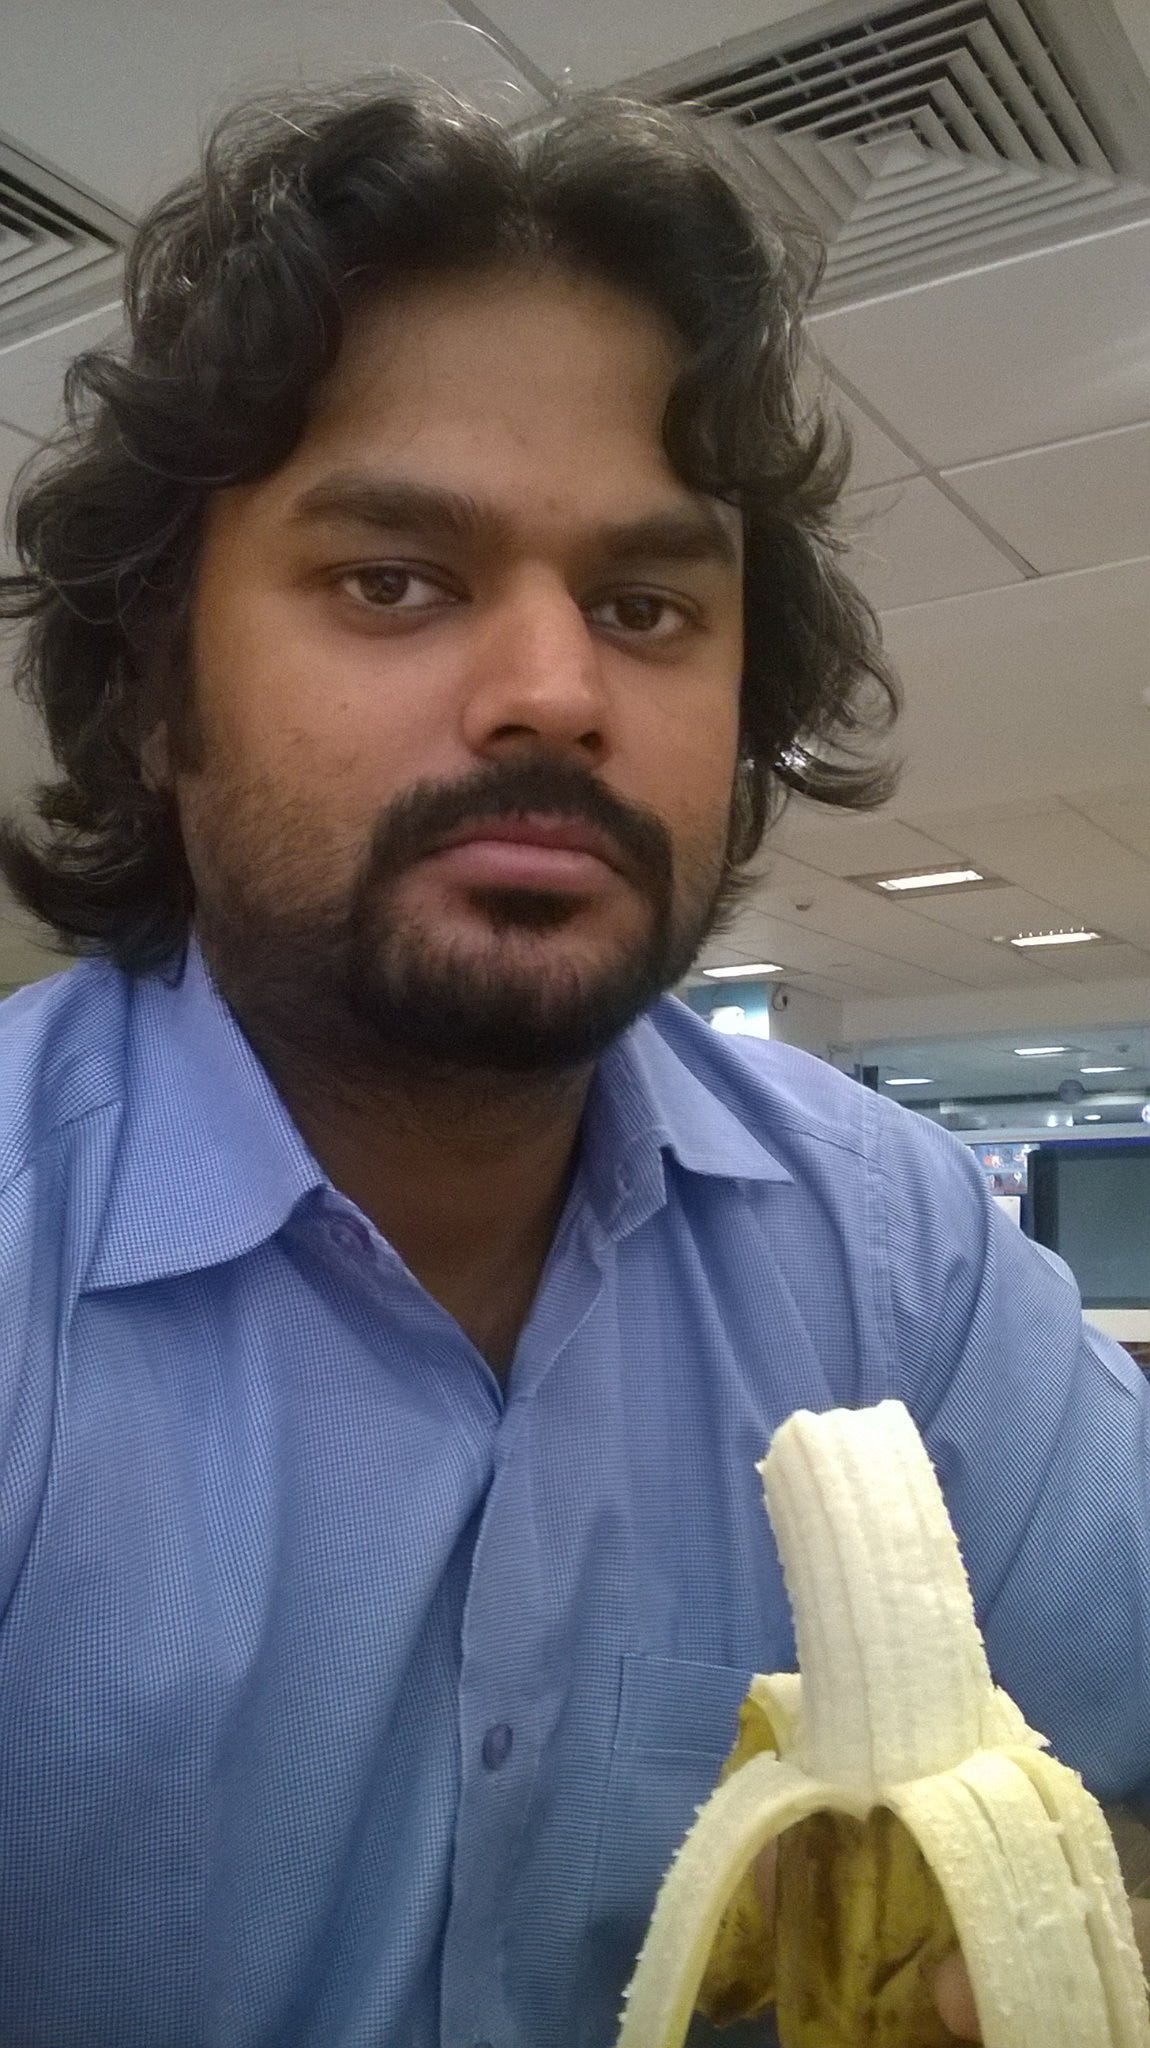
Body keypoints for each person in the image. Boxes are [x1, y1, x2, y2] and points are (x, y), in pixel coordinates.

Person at [0, 79, 1145, 2048]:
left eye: (644, 605)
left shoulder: (891, 1250)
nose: (554, 689)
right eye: (393, 579)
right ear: (156, 702)